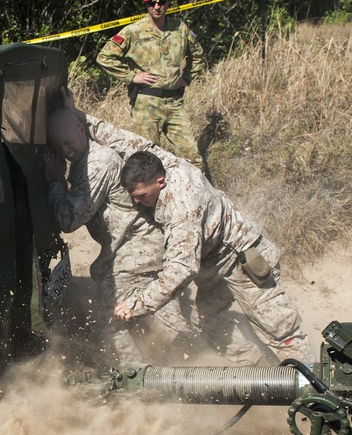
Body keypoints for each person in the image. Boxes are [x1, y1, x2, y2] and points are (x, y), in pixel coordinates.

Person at [113, 149, 312, 365]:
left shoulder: (181, 211)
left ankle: (309, 385)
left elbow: (181, 270)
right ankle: (259, 371)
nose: (137, 202)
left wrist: (137, 304)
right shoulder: (172, 164)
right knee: (208, 323)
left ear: (160, 181)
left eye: (142, 196)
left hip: (243, 260)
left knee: (277, 326)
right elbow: (127, 140)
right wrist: (86, 123)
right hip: (216, 268)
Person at [46, 88, 187, 366]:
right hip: (131, 249)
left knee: (107, 314)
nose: (66, 150)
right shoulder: (86, 157)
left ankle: (135, 377)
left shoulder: (97, 164)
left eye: (67, 141)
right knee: (160, 316)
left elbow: (68, 219)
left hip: (136, 252)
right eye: (58, 147)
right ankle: (179, 358)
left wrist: (54, 181)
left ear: (80, 129)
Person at [96, 0, 206, 170]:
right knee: (149, 161)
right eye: (151, 3)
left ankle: (201, 198)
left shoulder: (180, 28)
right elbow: (104, 57)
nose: (157, 7)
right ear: (145, 4)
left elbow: (197, 55)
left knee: (192, 158)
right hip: (146, 105)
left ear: (168, 1)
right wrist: (132, 76)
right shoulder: (134, 31)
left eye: (161, 1)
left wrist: (186, 78)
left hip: (174, 103)